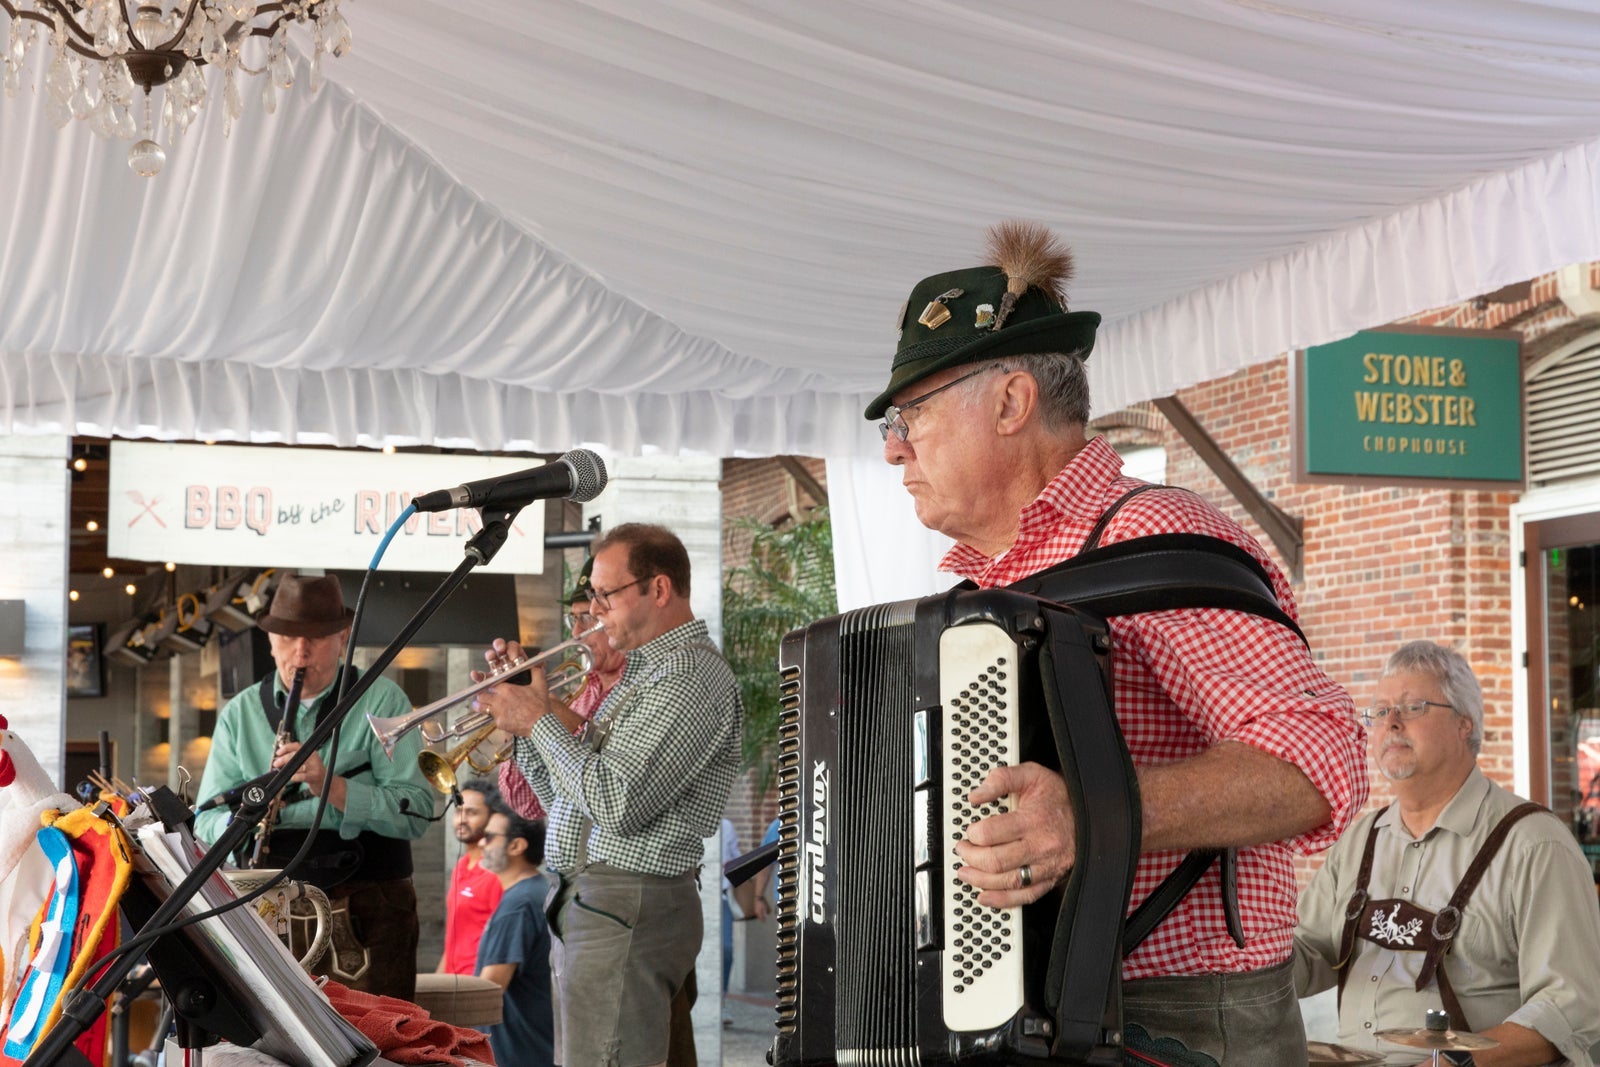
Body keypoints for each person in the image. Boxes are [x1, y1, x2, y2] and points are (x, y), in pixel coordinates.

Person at [865, 221, 1368, 1064]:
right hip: (1014, 1005)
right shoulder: (973, 597)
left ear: (1011, 402)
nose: (892, 448)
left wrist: (1089, 813)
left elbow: (1321, 761)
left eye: (912, 413)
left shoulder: (1157, 536)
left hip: (1180, 1016)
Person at [476, 522, 743, 1067]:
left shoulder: (689, 676)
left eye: (605, 594)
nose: (595, 610)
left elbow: (617, 804)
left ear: (659, 589)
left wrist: (539, 720)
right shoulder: (648, 674)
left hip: (626, 900)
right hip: (592, 901)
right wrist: (525, 721)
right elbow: (565, 802)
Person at [1293, 641, 1600, 1066]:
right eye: (1380, 711)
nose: (1391, 722)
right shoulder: (1359, 842)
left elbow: (1571, 1006)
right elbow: (1308, 954)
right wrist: (1234, 950)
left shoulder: (1534, 845)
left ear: (1464, 724)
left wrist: (1452, 1064)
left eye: (1413, 707)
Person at [194, 573, 433, 1001]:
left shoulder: (383, 700)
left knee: (376, 1035)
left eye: (317, 638)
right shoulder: (240, 713)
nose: (300, 652)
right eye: (288, 637)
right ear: (271, 641)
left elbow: (416, 812)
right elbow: (205, 820)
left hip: (370, 908)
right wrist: (247, 817)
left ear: (343, 639)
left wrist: (332, 787)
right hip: (268, 906)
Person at [498, 556, 627, 821]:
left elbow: (613, 797)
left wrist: (544, 713)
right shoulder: (581, 691)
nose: (576, 632)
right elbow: (527, 804)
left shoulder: (639, 687)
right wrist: (519, 722)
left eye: (588, 618)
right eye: (573, 619)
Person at [475, 807, 555, 1067]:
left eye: (489, 836)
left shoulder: (519, 904)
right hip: (535, 1048)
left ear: (516, 846)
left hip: (517, 1054)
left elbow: (489, 989)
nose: (481, 843)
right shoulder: (536, 891)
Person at [435, 780, 503, 976]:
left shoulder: (495, 872)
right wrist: (437, 980)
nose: (462, 819)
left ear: (492, 817)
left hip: (478, 982)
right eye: (458, 812)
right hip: (452, 981)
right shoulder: (461, 866)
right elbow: (454, 938)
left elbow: (502, 942)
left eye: (472, 813)